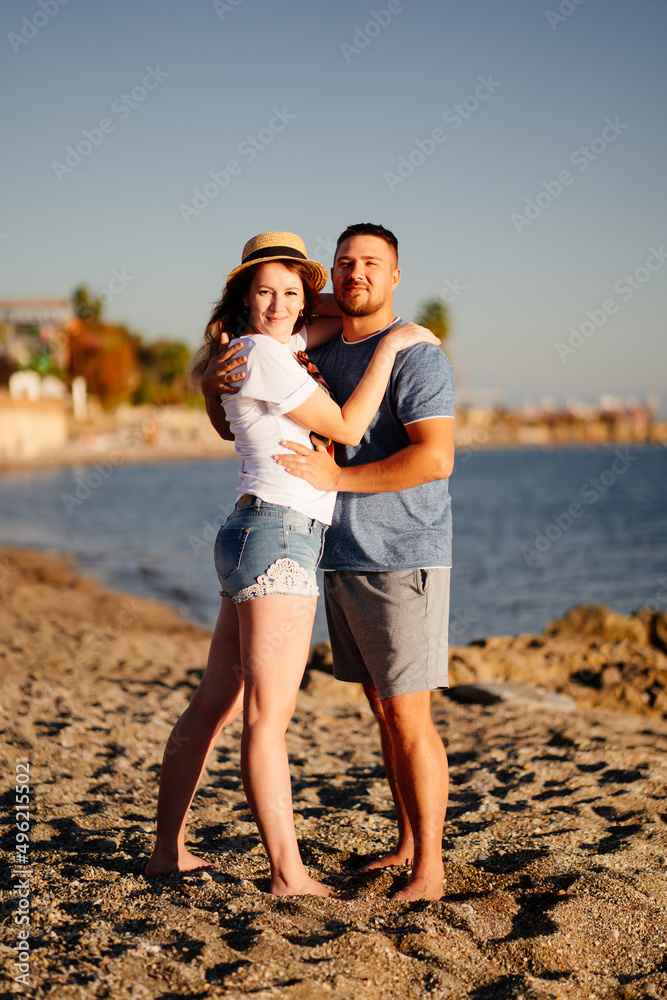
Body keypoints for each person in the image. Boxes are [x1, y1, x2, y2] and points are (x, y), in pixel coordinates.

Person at [145, 231, 438, 897]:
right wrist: (392, 344)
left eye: (289, 292)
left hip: (253, 531)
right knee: (265, 717)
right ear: (243, 300)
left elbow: (330, 311)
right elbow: (347, 429)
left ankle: (167, 852)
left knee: (214, 703)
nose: (279, 304)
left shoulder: (275, 346)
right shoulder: (262, 355)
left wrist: (304, 300)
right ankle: (288, 875)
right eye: (264, 292)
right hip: (279, 535)